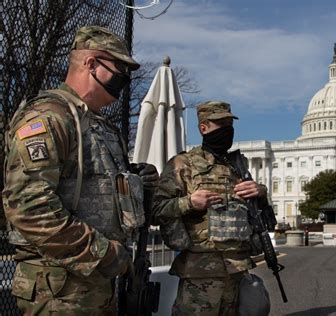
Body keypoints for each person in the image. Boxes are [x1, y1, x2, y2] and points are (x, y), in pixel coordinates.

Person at [2, 25, 158, 315]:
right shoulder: (49, 117)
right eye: (120, 69)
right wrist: (105, 252)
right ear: (91, 64)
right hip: (59, 289)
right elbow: (29, 207)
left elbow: (92, 182)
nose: (125, 79)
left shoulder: (100, 125)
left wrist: (135, 178)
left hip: (97, 284)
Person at [152, 101, 270, 315]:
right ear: (204, 128)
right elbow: (156, 210)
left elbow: (257, 214)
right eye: (221, 124)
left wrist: (260, 192)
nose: (227, 130)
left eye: (229, 124)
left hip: (237, 270)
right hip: (200, 272)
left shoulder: (237, 166)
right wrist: (189, 203)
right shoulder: (182, 164)